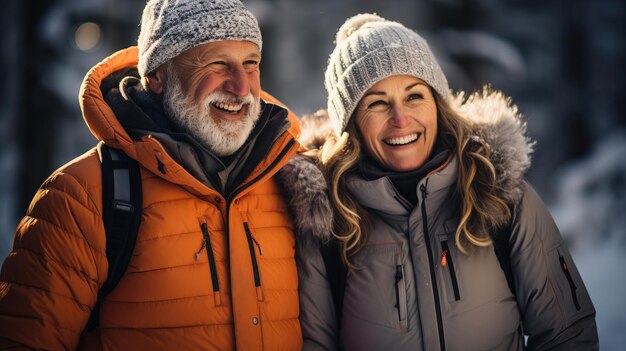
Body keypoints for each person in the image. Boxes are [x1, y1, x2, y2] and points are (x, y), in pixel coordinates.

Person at [0, 0, 304, 349]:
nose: (240, 86)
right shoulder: (83, 194)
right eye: (217, 64)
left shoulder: (285, 179)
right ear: (156, 77)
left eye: (250, 64)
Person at [296, 14, 599, 350]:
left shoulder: (500, 196)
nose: (400, 119)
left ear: (438, 105)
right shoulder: (328, 225)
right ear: (351, 125)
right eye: (377, 103)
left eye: (414, 96)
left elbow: (567, 334)